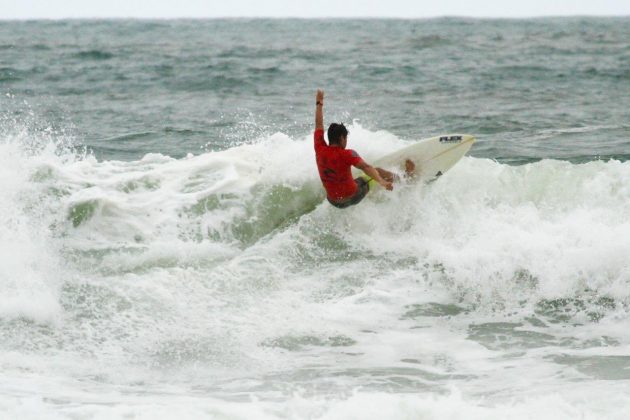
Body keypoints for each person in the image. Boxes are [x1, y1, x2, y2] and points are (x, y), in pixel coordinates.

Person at [313, 89, 413, 209]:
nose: (346, 141)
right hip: (353, 196)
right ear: (341, 138)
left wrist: (319, 102)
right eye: (346, 138)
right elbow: (366, 167)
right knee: (377, 171)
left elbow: (318, 124)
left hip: (333, 201)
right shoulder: (347, 154)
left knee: (348, 180)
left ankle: (370, 188)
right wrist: (381, 181)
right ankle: (406, 178)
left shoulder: (319, 147)